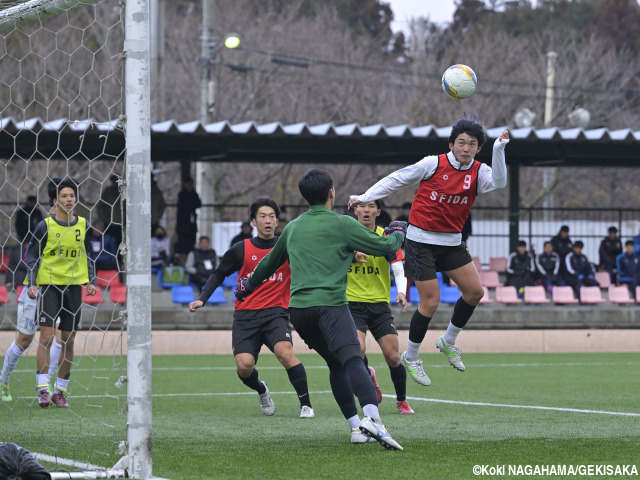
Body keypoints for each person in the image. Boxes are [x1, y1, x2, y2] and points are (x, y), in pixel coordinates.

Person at [235, 169, 405, 450]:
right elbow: (384, 245)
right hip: (332, 307)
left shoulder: (292, 227)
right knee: (352, 359)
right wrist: (399, 232)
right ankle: (374, 420)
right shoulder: (342, 224)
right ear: (331, 193)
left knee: (335, 363)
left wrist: (247, 286)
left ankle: (355, 429)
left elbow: (268, 264)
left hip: (300, 313)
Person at [349, 115, 509, 386]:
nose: (466, 148)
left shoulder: (479, 171)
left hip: (452, 241)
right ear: (451, 144)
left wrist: (499, 150)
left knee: (475, 292)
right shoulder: (432, 163)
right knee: (430, 302)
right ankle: (412, 356)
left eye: (472, 144)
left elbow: (500, 182)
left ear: (479, 148)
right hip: (420, 240)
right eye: (461, 142)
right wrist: (365, 196)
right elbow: (397, 179)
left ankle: (448, 340)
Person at [189, 197, 314, 419]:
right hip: (245, 317)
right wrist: (203, 298)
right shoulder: (241, 249)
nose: (268, 221)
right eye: (262, 216)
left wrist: (352, 256)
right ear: (253, 222)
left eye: (272, 216)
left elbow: (318, 258)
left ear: (277, 221)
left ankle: (306, 405)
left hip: (276, 313)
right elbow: (219, 273)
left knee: (286, 354)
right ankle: (261, 389)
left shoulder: (288, 246)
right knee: (244, 366)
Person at [26, 177, 96, 408]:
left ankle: (60, 391)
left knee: (69, 338)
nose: (69, 200)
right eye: (64, 196)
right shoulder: (44, 226)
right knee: (46, 337)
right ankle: (43, 389)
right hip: (49, 286)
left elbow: (89, 255)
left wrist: (90, 281)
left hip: (74, 286)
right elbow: (32, 256)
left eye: (72, 196)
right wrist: (33, 283)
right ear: (55, 201)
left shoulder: (83, 225)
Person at [347, 198, 414, 415]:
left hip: (379, 305)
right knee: (358, 350)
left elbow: (398, 268)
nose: (366, 210)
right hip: (352, 303)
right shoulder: (346, 234)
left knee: (393, 356)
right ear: (355, 209)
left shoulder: (387, 236)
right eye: (362, 206)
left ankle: (402, 401)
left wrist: (401, 291)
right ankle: (368, 377)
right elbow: (330, 258)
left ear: (378, 211)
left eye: (371, 206)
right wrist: (351, 257)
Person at [174, 177, 201, 256]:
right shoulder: (182, 195)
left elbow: (198, 204)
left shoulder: (194, 194)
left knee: (191, 241)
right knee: (182, 242)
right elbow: (183, 207)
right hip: (183, 224)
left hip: (191, 224)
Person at [97, 175, 123, 248]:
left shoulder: (124, 191)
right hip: (109, 222)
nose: (115, 183)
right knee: (108, 241)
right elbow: (100, 206)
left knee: (121, 241)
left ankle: (120, 258)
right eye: (113, 181)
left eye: (117, 181)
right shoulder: (107, 192)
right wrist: (104, 219)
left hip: (122, 223)